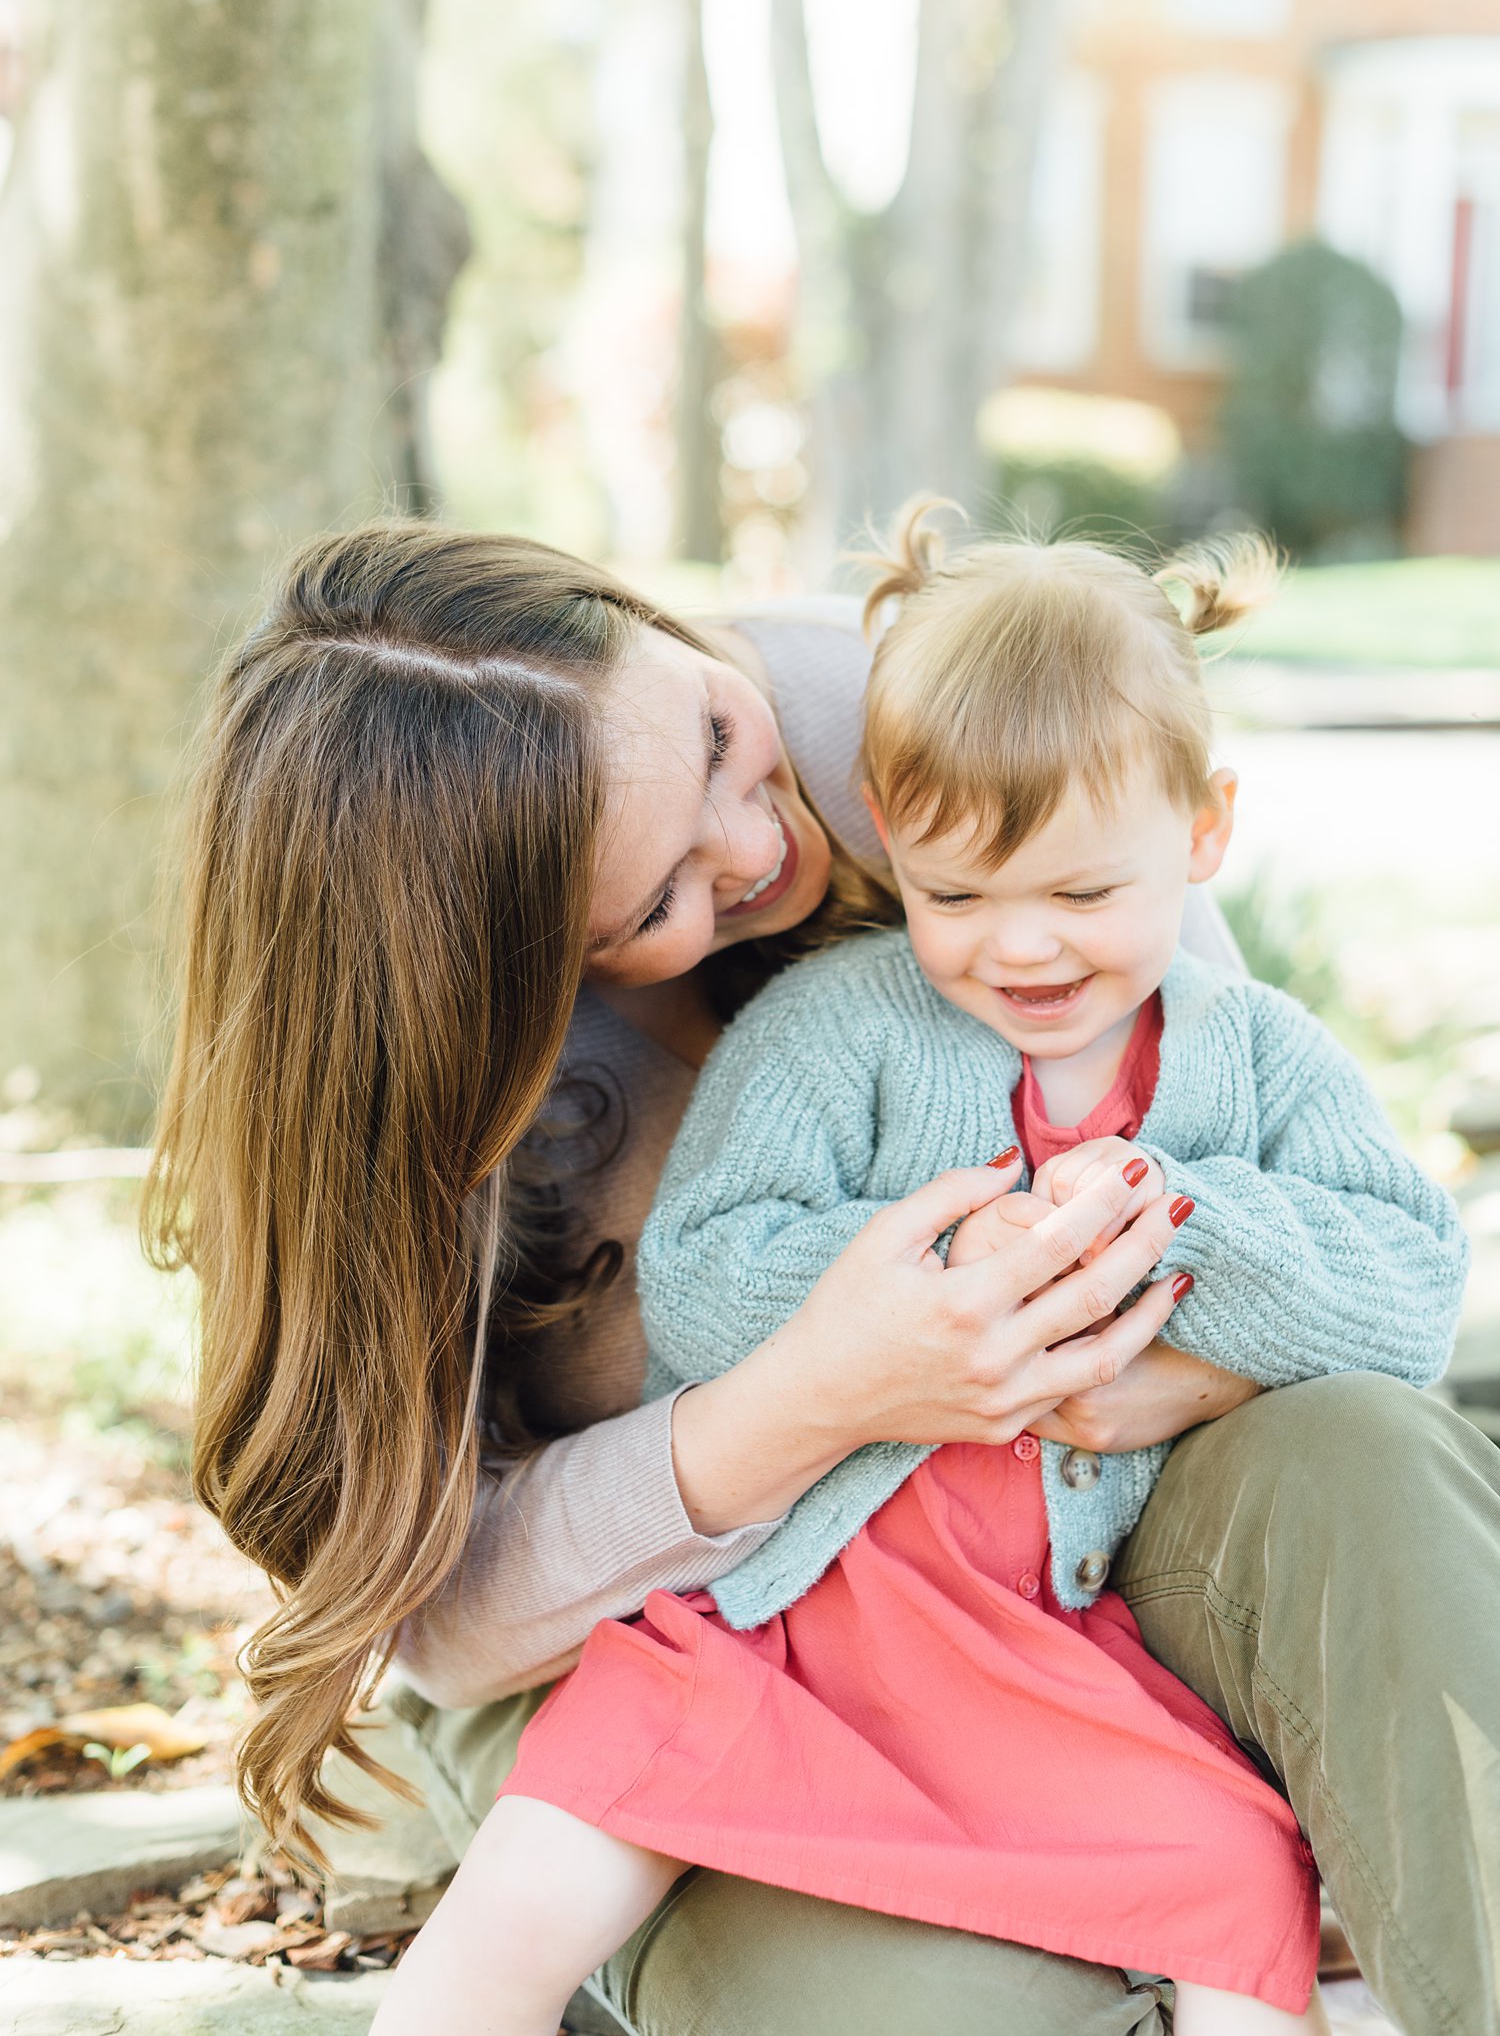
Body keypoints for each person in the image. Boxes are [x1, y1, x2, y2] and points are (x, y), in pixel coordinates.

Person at [147, 517, 1500, 2036]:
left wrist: (1135, 1361)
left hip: (1085, 1547)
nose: (762, 841)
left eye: (721, 735)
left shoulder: (962, 704)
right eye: (655, 904)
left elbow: (1273, 1174)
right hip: (710, 1630)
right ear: (513, 979)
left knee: (1373, 1460)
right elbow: (444, 1615)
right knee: (954, 2013)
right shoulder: (419, 1080)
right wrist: (823, 1393)